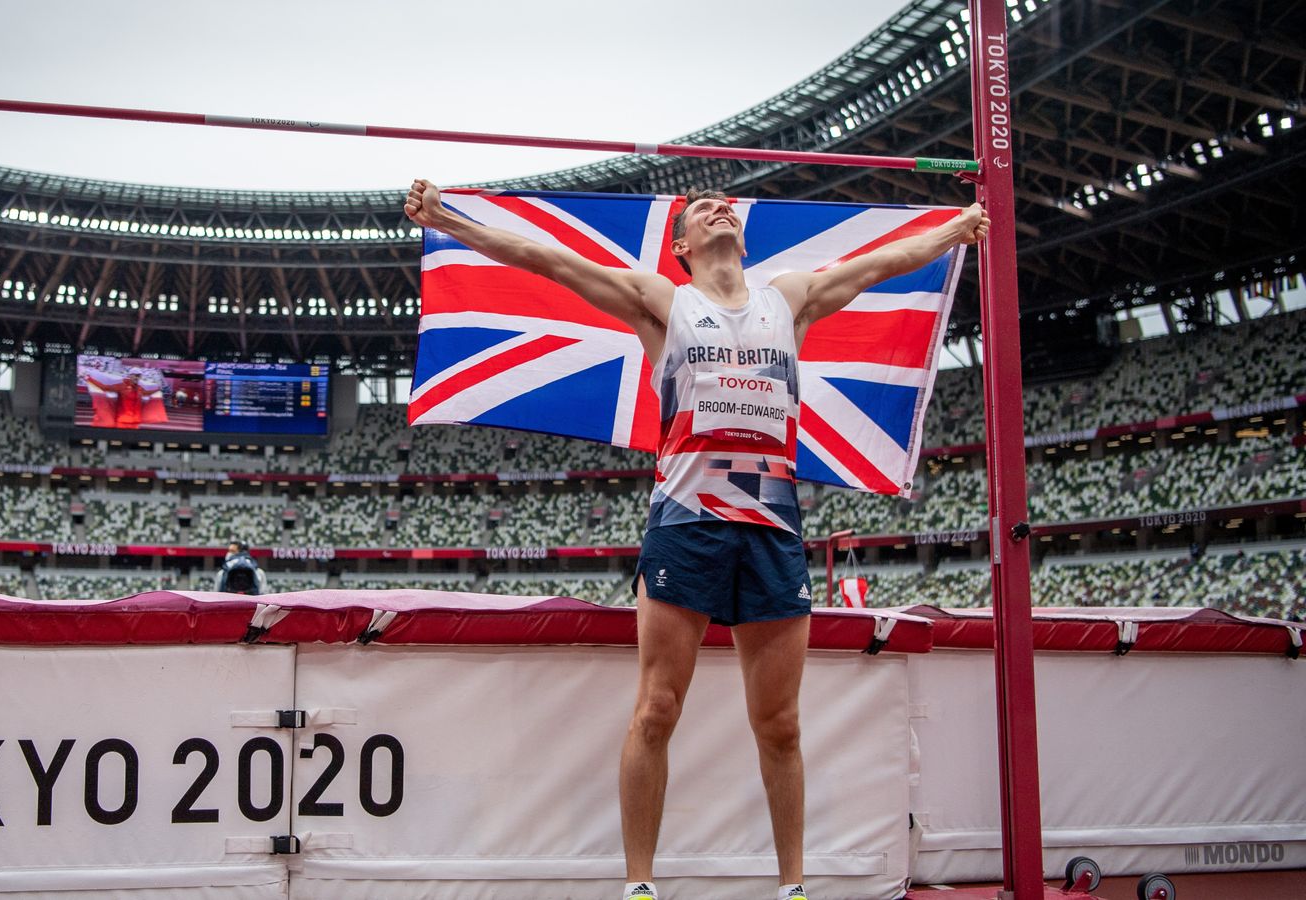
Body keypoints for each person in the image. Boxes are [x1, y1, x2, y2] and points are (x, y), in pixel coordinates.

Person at [404, 179, 988, 900]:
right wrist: (450, 220)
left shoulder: (792, 296)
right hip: (686, 524)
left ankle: (792, 888)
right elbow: (547, 260)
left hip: (771, 529)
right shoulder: (666, 302)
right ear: (679, 246)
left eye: (727, 205)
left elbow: (882, 265)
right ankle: (640, 887)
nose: (719, 206)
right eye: (701, 208)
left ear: (742, 236)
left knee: (779, 725)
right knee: (657, 708)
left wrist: (956, 228)